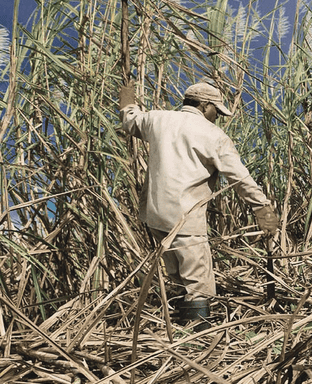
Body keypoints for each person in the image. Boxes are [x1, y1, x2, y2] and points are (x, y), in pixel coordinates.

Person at [119, 80, 279, 327]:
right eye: (216, 110)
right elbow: (239, 177)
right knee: (198, 283)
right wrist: (262, 206)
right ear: (205, 106)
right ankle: (199, 340)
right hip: (185, 216)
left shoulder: (157, 119)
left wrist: (127, 96)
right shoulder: (213, 134)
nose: (218, 116)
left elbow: (130, 120)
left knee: (176, 276)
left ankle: (179, 330)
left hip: (155, 214)